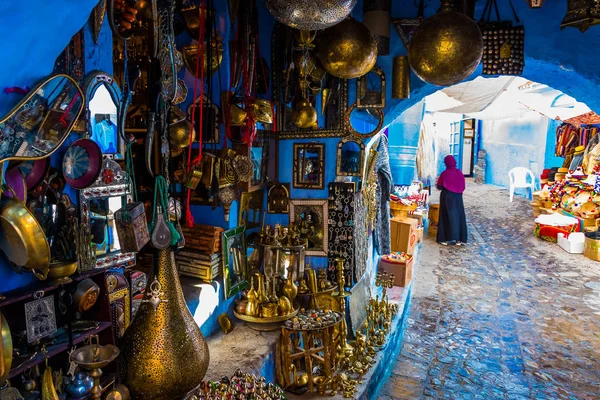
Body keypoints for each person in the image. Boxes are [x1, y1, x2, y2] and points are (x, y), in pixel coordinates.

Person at [436, 155, 468, 245]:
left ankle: (444, 239)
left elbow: (439, 186)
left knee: (446, 216)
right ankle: (459, 239)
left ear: (446, 163)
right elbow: (463, 186)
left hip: (447, 197)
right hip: (458, 198)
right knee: (458, 216)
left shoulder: (444, 174)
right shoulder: (459, 173)